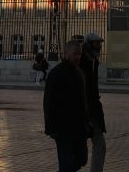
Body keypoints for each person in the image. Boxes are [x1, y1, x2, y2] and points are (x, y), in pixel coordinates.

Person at [44, 40, 89, 172]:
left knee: (82, 159)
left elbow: (83, 101)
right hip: (63, 128)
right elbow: (49, 102)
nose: (78, 57)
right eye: (75, 54)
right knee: (66, 163)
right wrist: (51, 127)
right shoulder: (56, 74)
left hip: (79, 127)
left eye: (79, 54)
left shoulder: (79, 73)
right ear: (66, 53)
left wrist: (87, 123)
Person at [79, 32, 107, 172]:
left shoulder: (93, 61)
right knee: (79, 149)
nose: (100, 46)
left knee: (99, 144)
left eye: (100, 44)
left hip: (92, 109)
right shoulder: (82, 62)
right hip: (83, 110)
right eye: (97, 43)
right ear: (89, 45)